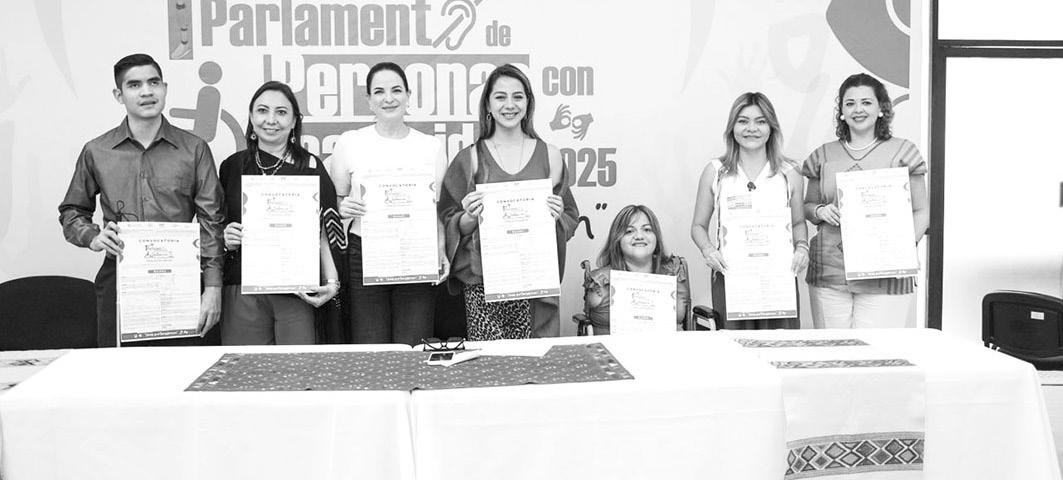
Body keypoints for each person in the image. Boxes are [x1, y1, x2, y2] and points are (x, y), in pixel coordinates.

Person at [58, 53, 224, 347]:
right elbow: (72, 210)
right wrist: (93, 237)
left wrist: (212, 287)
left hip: (182, 280)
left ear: (165, 88)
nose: (147, 91)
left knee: (183, 370)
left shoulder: (194, 149)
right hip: (120, 277)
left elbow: (212, 220)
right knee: (121, 372)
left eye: (153, 82)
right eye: (134, 85)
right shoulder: (97, 151)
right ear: (118, 95)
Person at [438, 64, 579, 341]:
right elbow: (450, 221)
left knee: (533, 362)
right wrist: (468, 217)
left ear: (528, 103)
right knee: (490, 364)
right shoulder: (470, 158)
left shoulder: (550, 155)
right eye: (500, 97)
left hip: (535, 284)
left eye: (518, 96)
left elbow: (570, 217)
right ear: (487, 105)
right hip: (484, 286)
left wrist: (558, 216)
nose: (510, 105)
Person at [328, 62, 448, 345]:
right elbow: (337, 202)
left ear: (408, 95)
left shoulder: (431, 147)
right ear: (369, 100)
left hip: (417, 253)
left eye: (396, 90)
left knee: (414, 346)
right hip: (364, 254)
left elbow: (436, 209)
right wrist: (343, 209)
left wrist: (441, 249)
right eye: (379, 92)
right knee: (372, 348)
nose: (389, 98)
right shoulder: (350, 143)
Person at [217, 81, 343, 345]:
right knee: (245, 367)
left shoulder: (311, 167)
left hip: (297, 290)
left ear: (294, 120)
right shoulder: (232, 167)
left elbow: (325, 233)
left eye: (281, 112)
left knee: (297, 367)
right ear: (251, 117)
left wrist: (332, 282)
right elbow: (215, 225)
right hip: (242, 287)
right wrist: (226, 238)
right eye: (262, 111)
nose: (271, 120)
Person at [802, 73, 929, 328]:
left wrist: (901, 250)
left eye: (866, 102)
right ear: (841, 112)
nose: (858, 109)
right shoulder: (823, 155)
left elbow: (921, 210)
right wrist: (820, 211)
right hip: (830, 273)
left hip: (886, 274)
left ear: (881, 108)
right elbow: (808, 206)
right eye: (850, 103)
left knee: (879, 349)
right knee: (832, 349)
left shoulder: (904, 152)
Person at [691, 92, 808, 330]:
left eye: (760, 121)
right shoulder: (716, 171)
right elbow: (698, 226)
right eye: (743, 121)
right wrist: (708, 250)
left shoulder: (790, 172)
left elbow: (798, 222)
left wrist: (802, 248)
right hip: (731, 278)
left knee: (780, 347)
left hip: (778, 280)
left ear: (771, 127)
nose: (751, 128)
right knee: (735, 348)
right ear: (732, 127)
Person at [583, 205, 691, 335]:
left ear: (656, 237)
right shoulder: (601, 281)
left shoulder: (673, 273)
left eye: (647, 229)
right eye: (629, 231)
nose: (639, 236)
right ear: (617, 239)